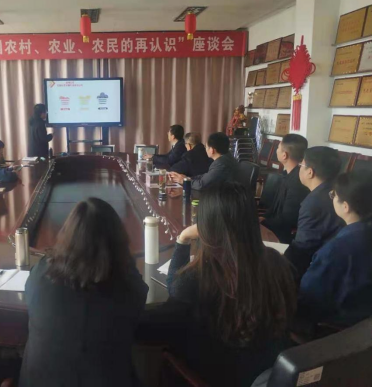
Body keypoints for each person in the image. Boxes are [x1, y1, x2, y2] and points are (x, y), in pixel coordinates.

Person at [138, 182, 296, 387]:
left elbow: (173, 288)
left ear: (206, 225)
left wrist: (183, 239)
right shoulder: (278, 262)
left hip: (215, 376)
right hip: (265, 372)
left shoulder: (198, 277)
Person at [20, 198, 148, 387]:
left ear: (66, 234)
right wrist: (125, 259)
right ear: (118, 240)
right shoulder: (127, 287)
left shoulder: (40, 273)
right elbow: (141, 294)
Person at [298, 171, 372, 327]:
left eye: (334, 195)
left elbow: (309, 297)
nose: (332, 197)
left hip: (333, 328)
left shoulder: (336, 249)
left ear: (345, 207)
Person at [284, 147, 344, 279]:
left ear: (310, 172)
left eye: (301, 165)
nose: (299, 168)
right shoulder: (337, 193)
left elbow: (301, 250)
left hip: (320, 271)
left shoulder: (314, 203)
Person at [260, 134, 310, 243]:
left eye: (278, 148)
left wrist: (263, 223)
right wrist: (264, 217)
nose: (276, 150)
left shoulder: (297, 182)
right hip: (273, 225)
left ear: (284, 155)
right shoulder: (287, 174)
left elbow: (287, 219)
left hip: (282, 234)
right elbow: (275, 207)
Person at [169, 132, 239, 191]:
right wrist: (187, 178)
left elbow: (201, 185)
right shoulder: (227, 158)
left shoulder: (221, 164)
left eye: (206, 147)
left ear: (212, 150)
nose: (205, 149)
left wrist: (183, 181)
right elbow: (206, 176)